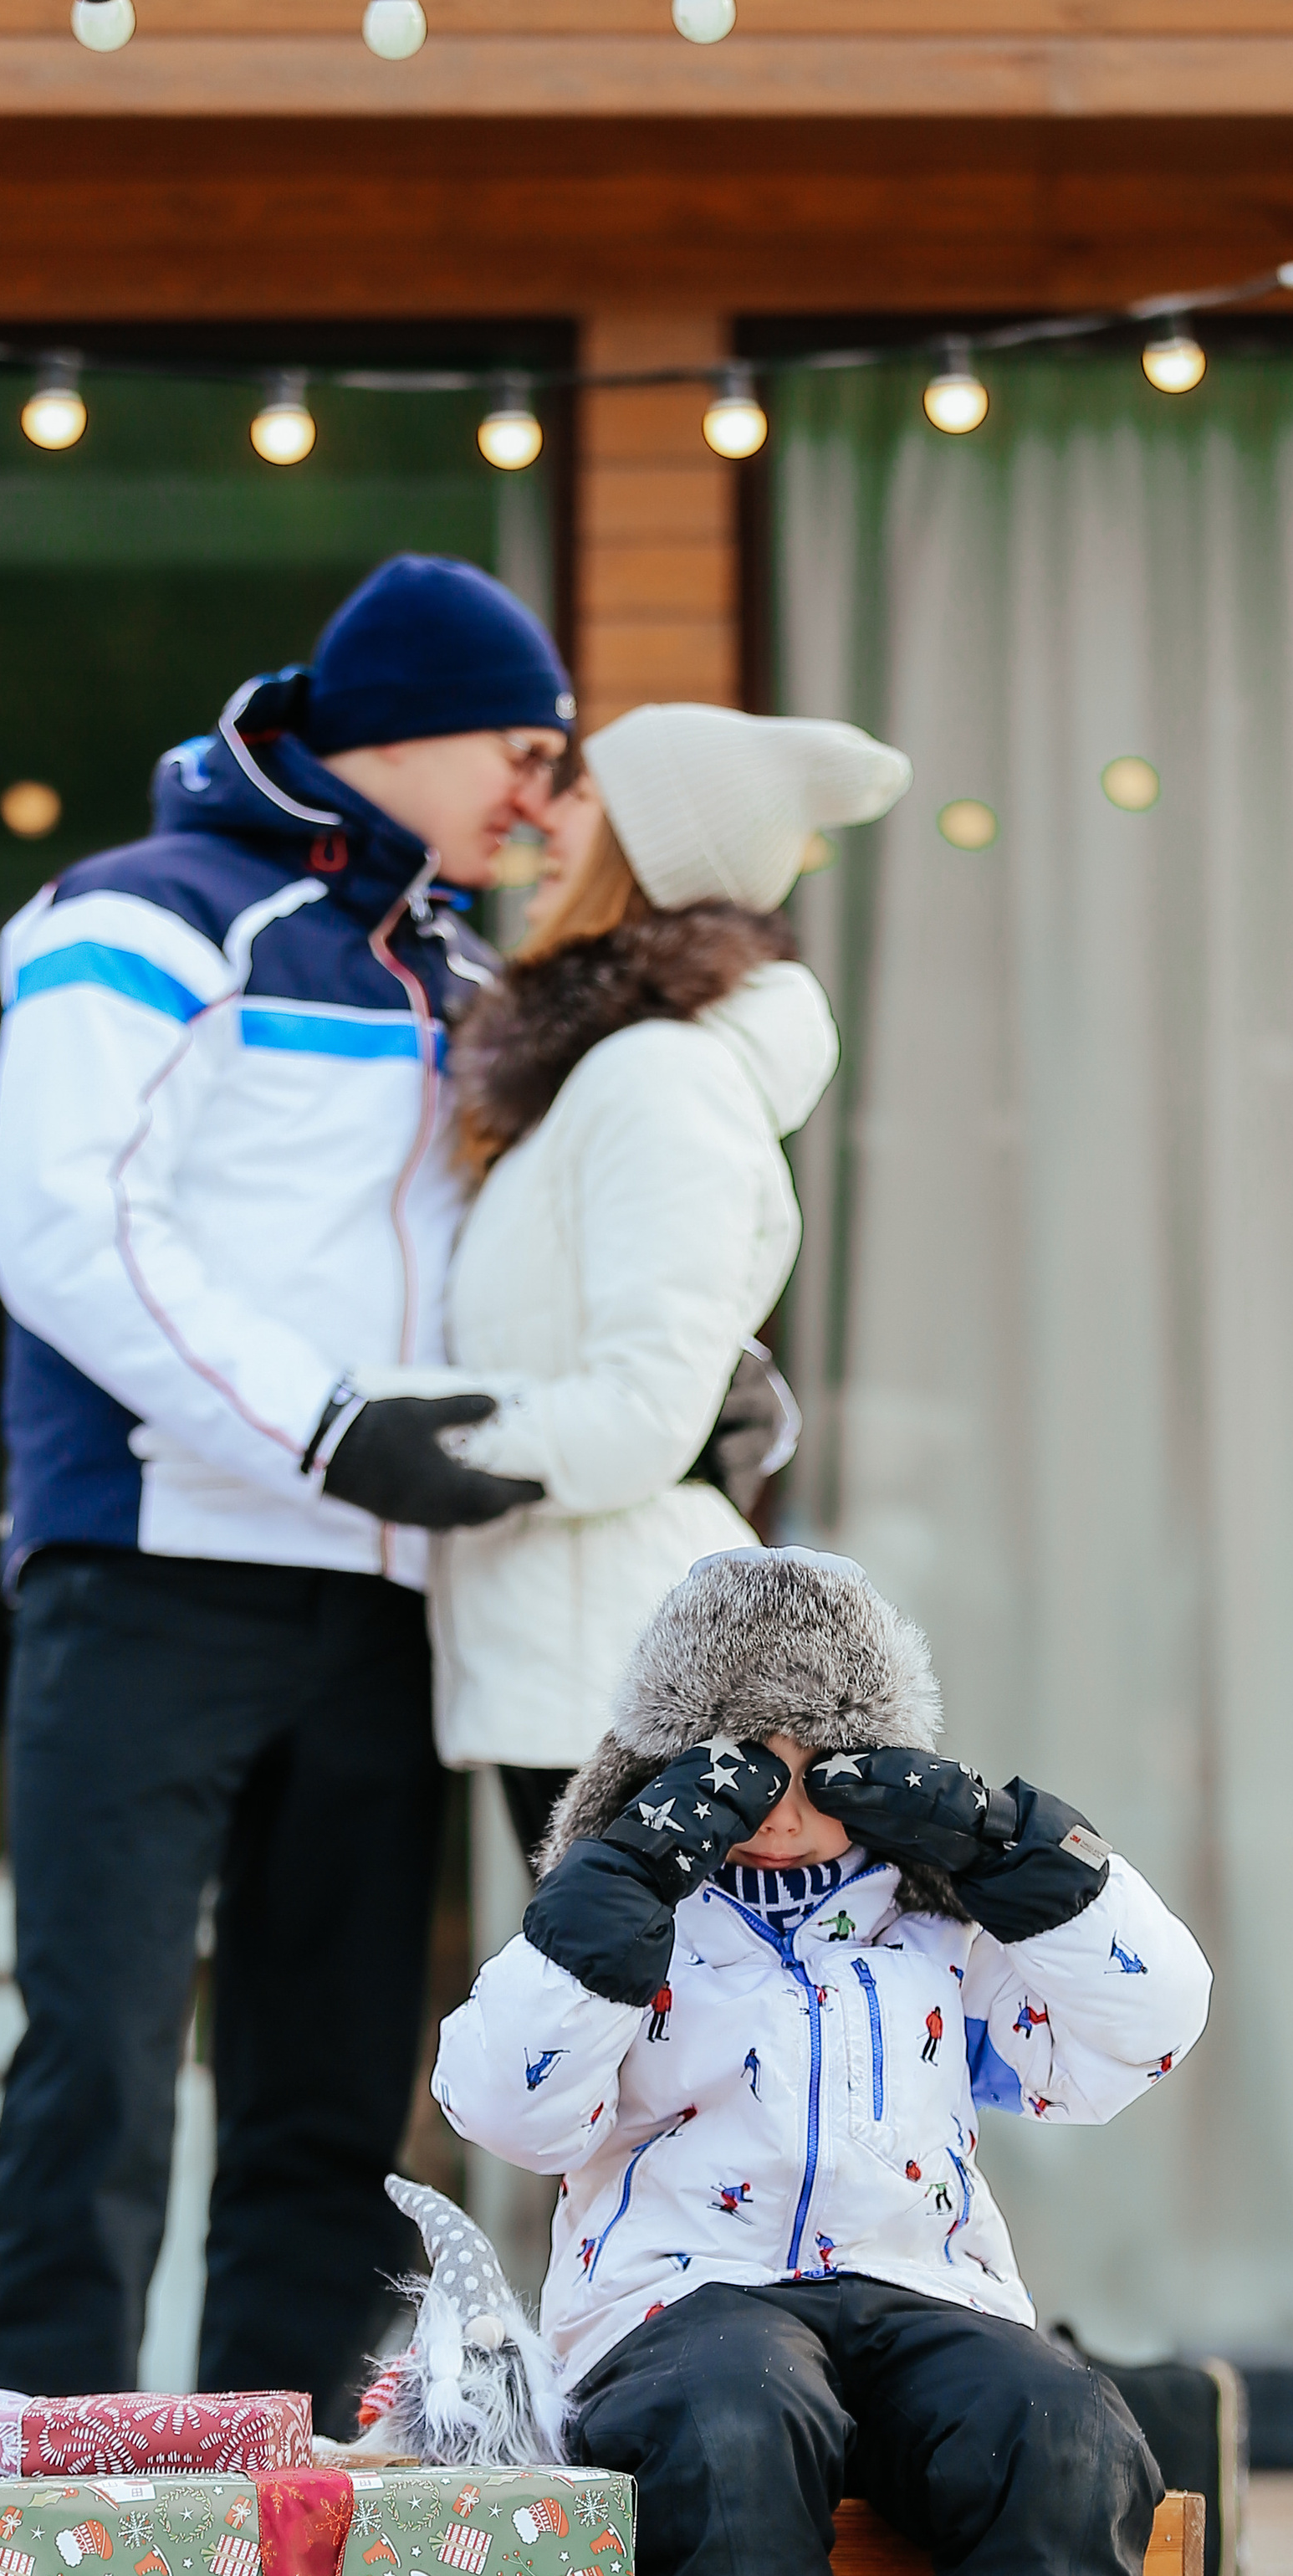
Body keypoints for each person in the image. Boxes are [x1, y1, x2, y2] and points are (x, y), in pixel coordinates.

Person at [0, 554, 569, 2430]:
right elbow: (60, 1223)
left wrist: (673, 1384)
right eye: (523, 748)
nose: (540, 800)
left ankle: (285, 2517)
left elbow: (526, 1259)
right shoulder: (136, 920)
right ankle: (28, 2528)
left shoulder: (467, 973)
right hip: (152, 1568)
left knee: (330, 2090)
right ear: (404, 730)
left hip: (389, 1598)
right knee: (104, 2067)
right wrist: (320, 1426)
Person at [432, 1547, 1214, 2576]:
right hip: (684, 2303)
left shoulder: (935, 1928)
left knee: (1061, 2426)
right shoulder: (633, 1925)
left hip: (920, 2285)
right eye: (743, 1767)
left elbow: (1142, 2032)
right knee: (732, 2420)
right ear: (673, 1765)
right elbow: (501, 2104)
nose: (786, 1805)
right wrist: (614, 1892)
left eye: (826, 1763)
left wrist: (1014, 1849)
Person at [354, 703, 910, 1872]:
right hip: (567, 1664)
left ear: (653, 850)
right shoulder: (604, 1075)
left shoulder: (661, 1078)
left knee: (641, 2050)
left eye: (586, 797)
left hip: (622, 1686)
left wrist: (383, 1427)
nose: (547, 818)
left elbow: (645, 1412)